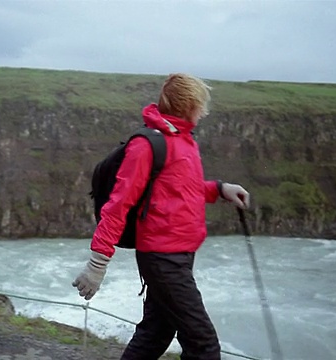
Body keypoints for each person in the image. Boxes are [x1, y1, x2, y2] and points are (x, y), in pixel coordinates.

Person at [72, 73, 250, 359]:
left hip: (180, 253)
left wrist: (219, 189)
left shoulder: (183, 140)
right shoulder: (146, 145)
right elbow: (118, 205)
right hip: (162, 258)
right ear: (189, 104)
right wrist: (97, 264)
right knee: (203, 344)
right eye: (201, 105)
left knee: (156, 332)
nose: (204, 112)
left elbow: (181, 190)